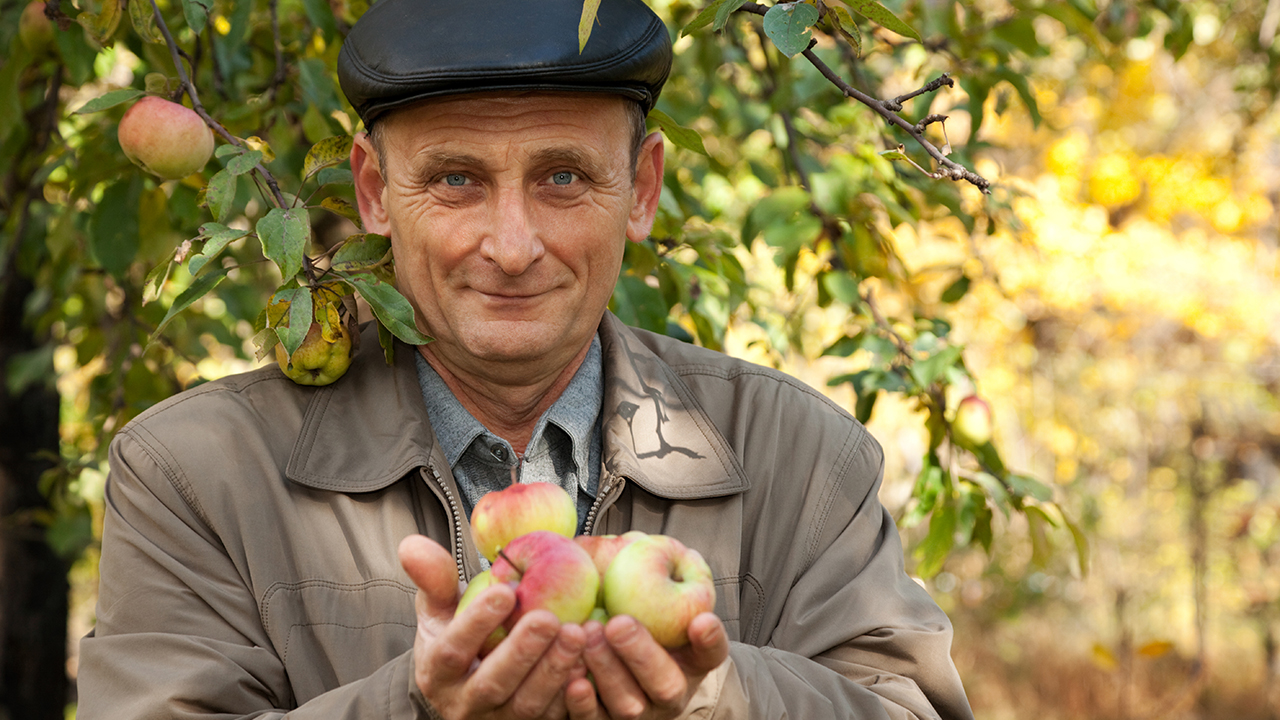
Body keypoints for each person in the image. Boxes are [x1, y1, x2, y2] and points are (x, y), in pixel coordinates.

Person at [77, 0, 975, 717]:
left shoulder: (804, 459)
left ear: (644, 190)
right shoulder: (192, 474)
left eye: (562, 177)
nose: (511, 246)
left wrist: (718, 697)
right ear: (374, 192)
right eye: (457, 178)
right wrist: (414, 709)